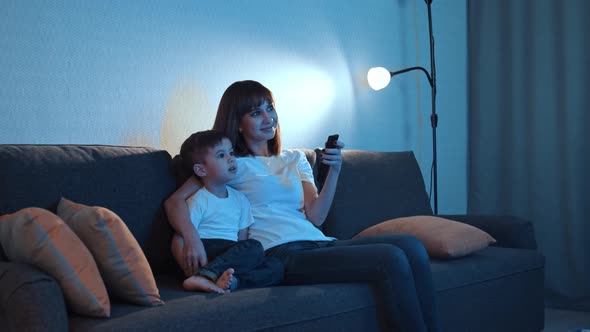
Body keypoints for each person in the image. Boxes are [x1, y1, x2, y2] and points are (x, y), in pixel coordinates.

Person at [165, 80, 439, 331]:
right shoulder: (229, 163)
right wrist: (191, 238)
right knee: (390, 258)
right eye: (255, 112)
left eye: (269, 108)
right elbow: (175, 201)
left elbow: (316, 216)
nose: (268, 117)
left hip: (319, 242)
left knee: (411, 246)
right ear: (238, 122)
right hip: (282, 253)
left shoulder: (295, 159)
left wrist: (334, 171)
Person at [172, 129, 283, 293]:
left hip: (230, 254)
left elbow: (241, 240)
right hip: (205, 249)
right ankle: (202, 275)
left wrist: (243, 258)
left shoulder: (241, 200)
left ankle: (232, 282)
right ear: (201, 170)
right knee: (254, 246)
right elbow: (179, 239)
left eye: (231, 153)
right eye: (221, 155)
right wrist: (187, 268)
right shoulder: (199, 200)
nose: (231, 158)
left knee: (276, 266)